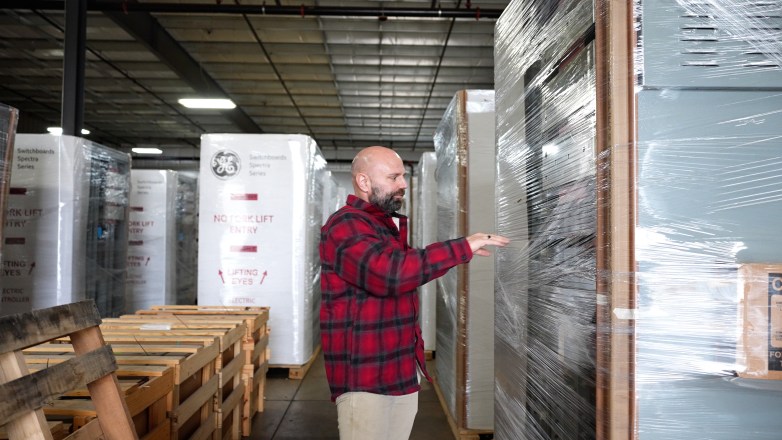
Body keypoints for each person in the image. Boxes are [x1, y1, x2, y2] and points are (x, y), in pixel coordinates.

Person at [319, 145, 509, 440]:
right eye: (393, 177)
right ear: (364, 182)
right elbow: (390, 274)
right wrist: (460, 247)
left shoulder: (382, 225)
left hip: (399, 370)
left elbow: (405, 270)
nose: (403, 184)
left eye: (403, 177)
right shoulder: (346, 225)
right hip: (366, 378)